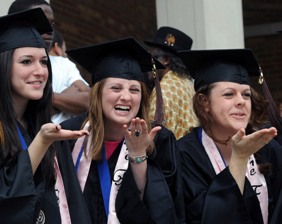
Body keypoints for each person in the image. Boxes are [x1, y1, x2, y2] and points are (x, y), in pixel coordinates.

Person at [0, 8, 91, 224]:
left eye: (44, 62)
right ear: (2, 66)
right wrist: (41, 142)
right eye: (26, 62)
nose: (40, 71)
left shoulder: (40, 119)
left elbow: (68, 200)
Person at [60, 37, 185, 224]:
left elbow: (166, 211)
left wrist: (139, 156)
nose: (126, 97)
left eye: (134, 90)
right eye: (116, 88)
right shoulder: (70, 135)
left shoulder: (159, 139)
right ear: (98, 92)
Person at [176, 48, 282, 223]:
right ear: (204, 103)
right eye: (229, 94)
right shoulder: (184, 156)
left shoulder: (267, 147)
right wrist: (239, 159)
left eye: (246, 94)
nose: (241, 101)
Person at [8, 0, 90, 124]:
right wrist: (64, 97)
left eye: (52, 24)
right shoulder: (9, 63)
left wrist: (47, 98)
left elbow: (88, 100)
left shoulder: (62, 64)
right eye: (42, 22)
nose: (50, 30)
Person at [144, 26, 198, 140]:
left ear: (166, 60)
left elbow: (152, 137)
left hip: (169, 156)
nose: (147, 63)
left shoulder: (163, 89)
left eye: (151, 57)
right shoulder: (189, 85)